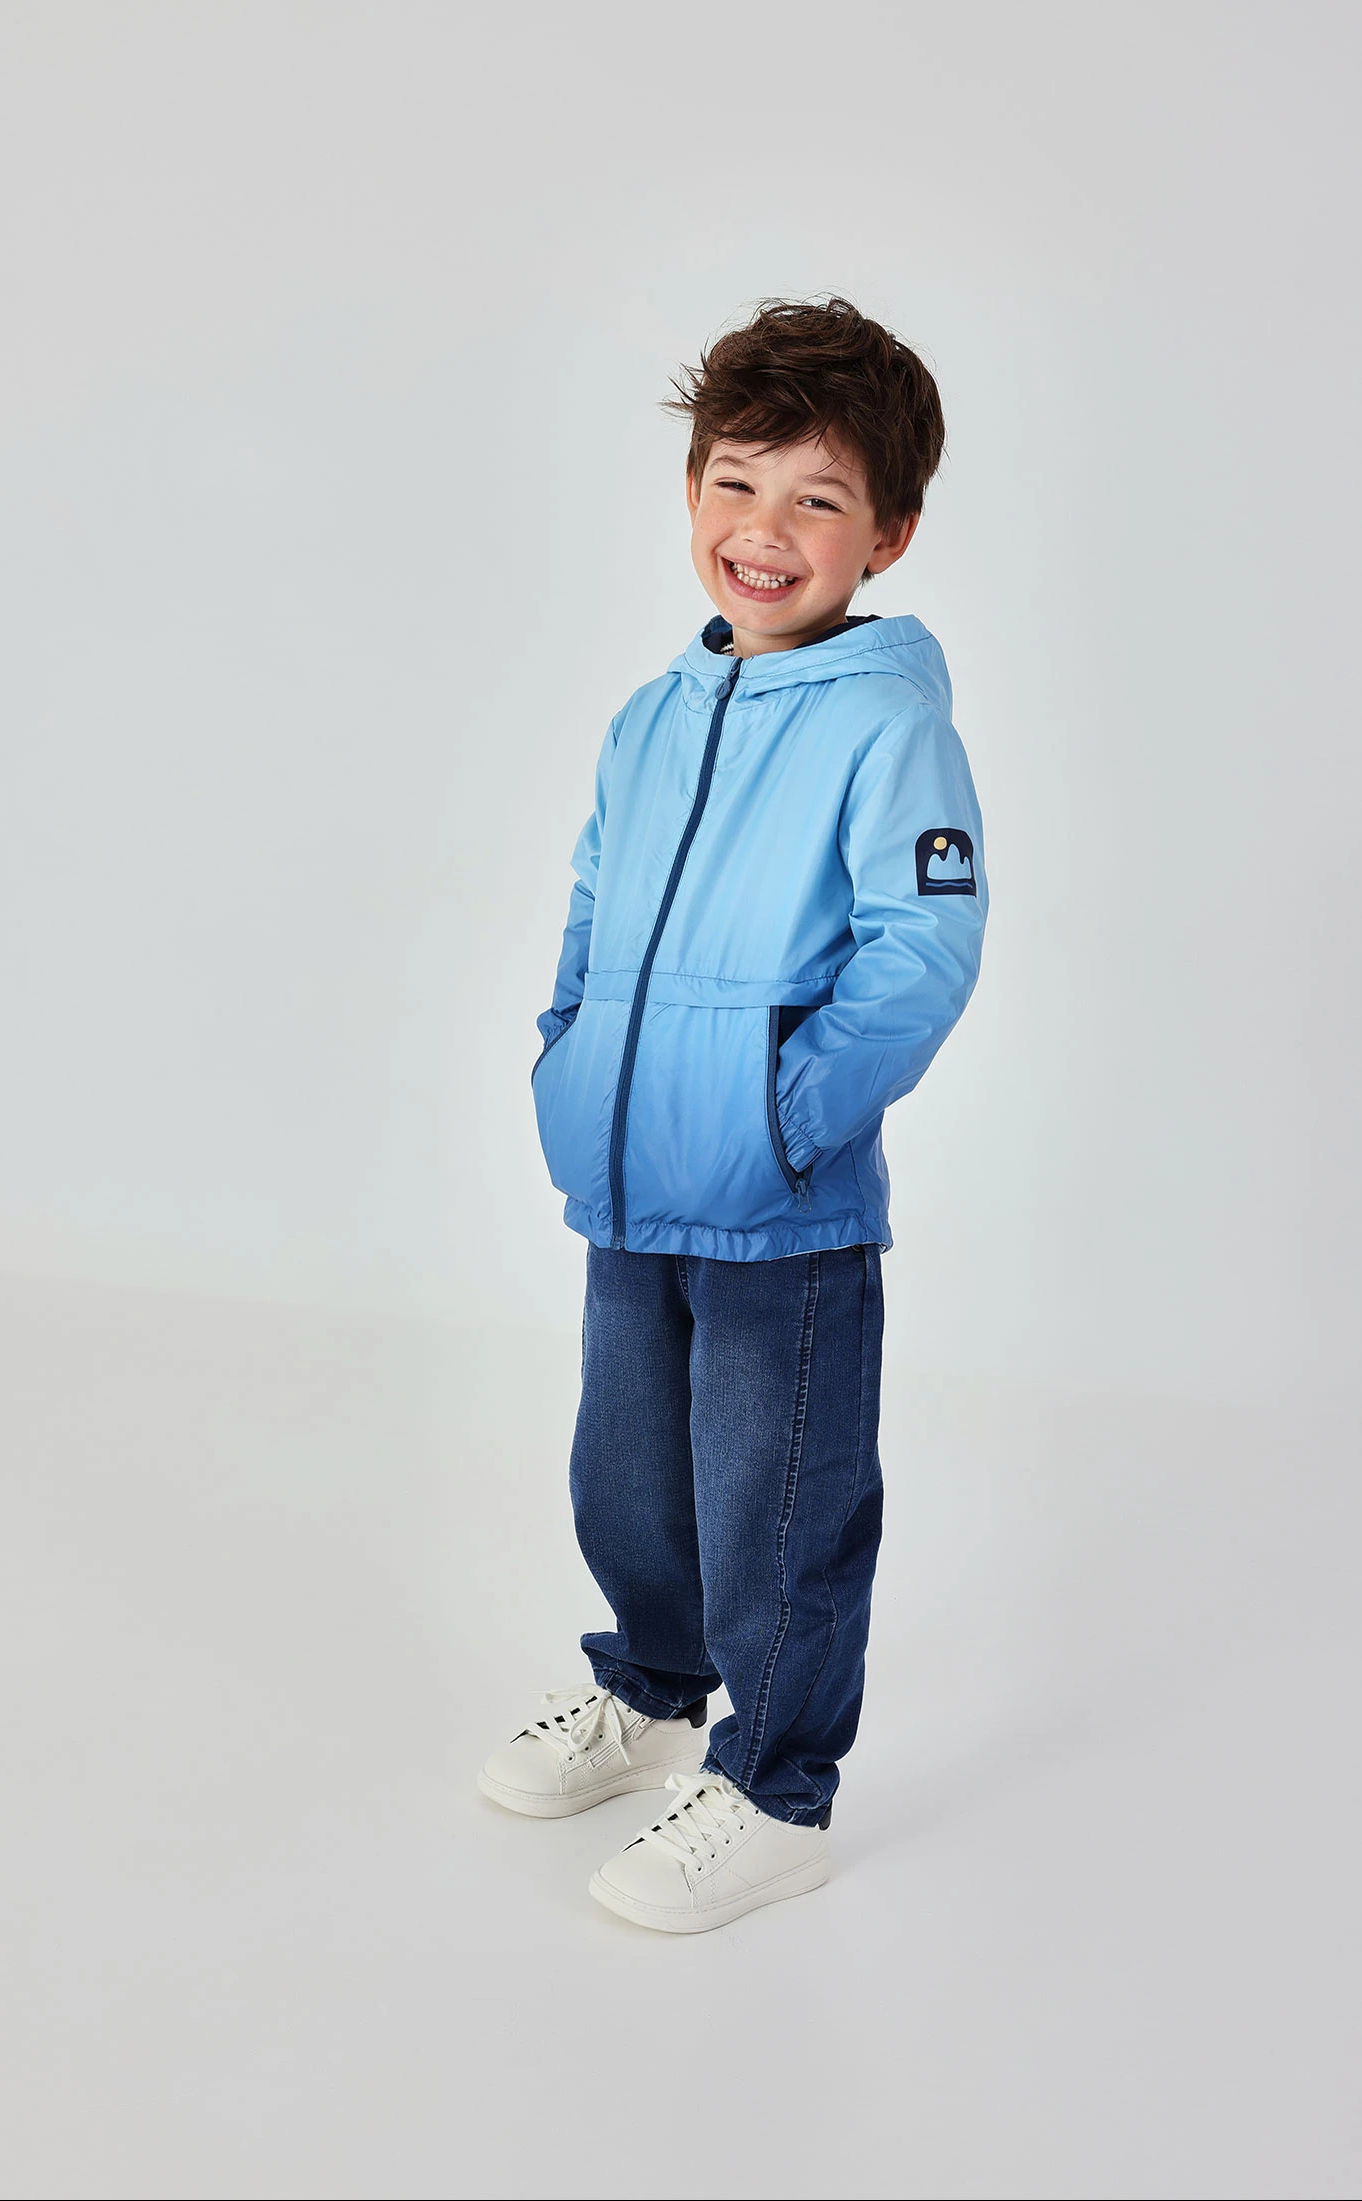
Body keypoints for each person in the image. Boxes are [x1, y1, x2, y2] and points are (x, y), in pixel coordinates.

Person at [478, 297, 987, 1933]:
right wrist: (567, 1049)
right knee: (628, 1475)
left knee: (777, 1505)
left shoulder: (885, 721)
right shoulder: (651, 715)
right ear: (691, 489)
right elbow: (589, 903)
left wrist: (784, 1121)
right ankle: (650, 1689)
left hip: (779, 1204)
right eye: (735, 483)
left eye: (816, 499)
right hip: (628, 1178)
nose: (764, 530)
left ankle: (775, 1789)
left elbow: (920, 952)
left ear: (886, 535)